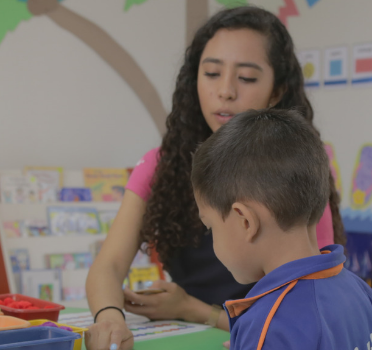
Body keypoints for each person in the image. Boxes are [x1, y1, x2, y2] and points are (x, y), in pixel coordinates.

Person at [84, 6, 345, 350]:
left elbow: (315, 304)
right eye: (211, 73)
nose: (225, 91)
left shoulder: (298, 170)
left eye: (247, 78)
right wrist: (109, 318)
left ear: (278, 91)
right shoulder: (161, 165)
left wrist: (194, 310)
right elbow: (109, 265)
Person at [192, 109, 372, 350]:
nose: (212, 239)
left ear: (245, 221)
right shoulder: (359, 291)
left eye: (210, 228)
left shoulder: (269, 324)